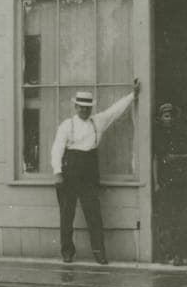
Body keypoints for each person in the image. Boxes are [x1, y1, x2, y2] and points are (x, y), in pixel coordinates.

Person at [51, 79, 140, 264]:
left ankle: (99, 252)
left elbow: (115, 111)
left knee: (94, 214)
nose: (84, 110)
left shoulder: (98, 122)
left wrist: (133, 95)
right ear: (75, 107)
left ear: (91, 108)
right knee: (67, 214)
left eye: (87, 107)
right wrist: (57, 172)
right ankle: (67, 252)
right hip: (70, 171)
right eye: (81, 107)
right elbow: (57, 149)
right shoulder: (67, 125)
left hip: (89, 171)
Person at [153, 102, 187, 265]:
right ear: (160, 118)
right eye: (166, 116)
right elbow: (155, 159)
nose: (169, 119)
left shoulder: (182, 134)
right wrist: (155, 183)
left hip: (183, 181)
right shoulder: (158, 136)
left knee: (185, 217)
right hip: (166, 181)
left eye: (171, 116)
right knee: (169, 218)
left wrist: (178, 158)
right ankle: (173, 254)